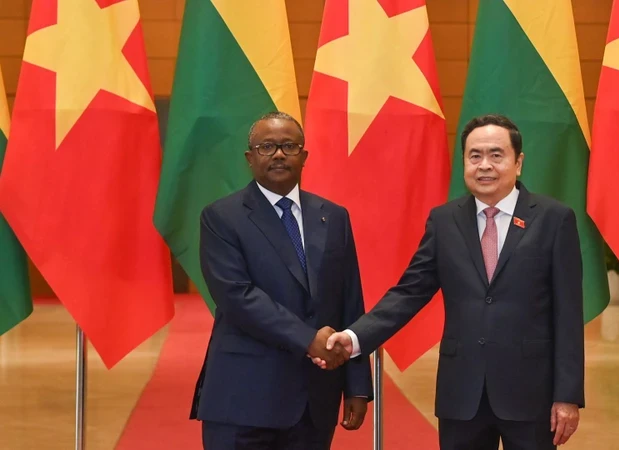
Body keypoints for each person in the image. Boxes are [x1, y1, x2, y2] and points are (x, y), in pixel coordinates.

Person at [321, 114, 584, 449]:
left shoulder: (553, 219)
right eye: (475, 156)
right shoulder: (445, 221)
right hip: (461, 394)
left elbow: (568, 314)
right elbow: (409, 292)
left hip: (531, 394)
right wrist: (355, 338)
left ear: (518, 163)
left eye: (496, 155)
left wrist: (567, 396)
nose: (484, 165)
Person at [190, 112, 373, 450]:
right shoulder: (221, 217)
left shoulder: (333, 217)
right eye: (266, 146)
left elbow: (350, 301)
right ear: (250, 158)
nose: (277, 154)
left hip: (314, 400)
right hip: (242, 397)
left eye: (288, 146)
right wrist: (308, 339)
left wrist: (357, 385)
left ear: (303, 156)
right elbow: (237, 296)